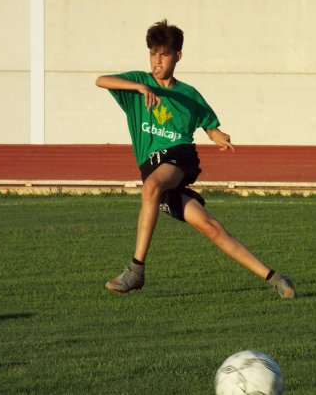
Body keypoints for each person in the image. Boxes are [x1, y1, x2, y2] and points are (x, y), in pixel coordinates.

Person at [95, 19, 295, 299]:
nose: (157, 60)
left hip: (179, 158)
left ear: (178, 56)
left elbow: (208, 125)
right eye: (153, 53)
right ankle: (276, 279)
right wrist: (139, 89)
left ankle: (136, 270)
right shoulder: (138, 83)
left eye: (164, 54)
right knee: (211, 228)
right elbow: (100, 81)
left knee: (151, 186)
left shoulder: (189, 95)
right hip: (154, 171)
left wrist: (218, 135)